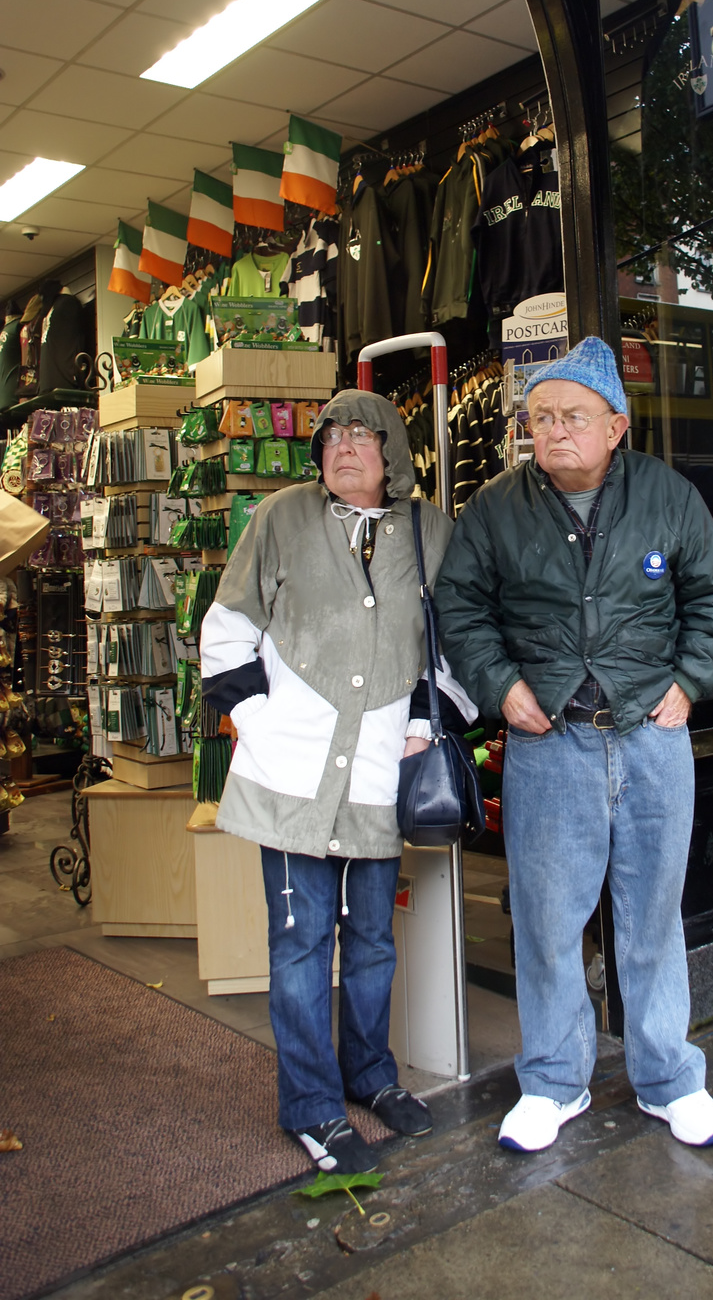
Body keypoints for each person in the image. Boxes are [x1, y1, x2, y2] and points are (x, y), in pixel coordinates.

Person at [434, 337, 713, 1153]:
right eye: (539, 417)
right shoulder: (496, 505)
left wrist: (688, 683)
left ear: (616, 425)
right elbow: (459, 608)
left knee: (650, 917)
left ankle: (670, 1078)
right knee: (545, 918)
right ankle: (552, 1081)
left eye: (571, 416)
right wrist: (501, 688)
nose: (552, 431)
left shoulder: (666, 494)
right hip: (549, 743)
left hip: (651, 734)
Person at [199, 389, 475, 1173]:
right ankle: (312, 1106)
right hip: (291, 779)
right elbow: (226, 628)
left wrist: (428, 725)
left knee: (372, 942)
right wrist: (256, 722)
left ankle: (371, 1077)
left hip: (382, 775)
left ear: (392, 452)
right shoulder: (279, 518)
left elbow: (455, 644)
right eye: (332, 436)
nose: (345, 447)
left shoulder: (431, 532)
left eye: (364, 435)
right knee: (298, 945)